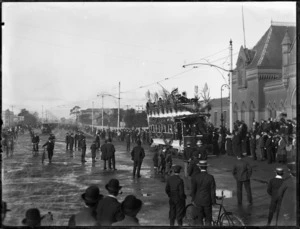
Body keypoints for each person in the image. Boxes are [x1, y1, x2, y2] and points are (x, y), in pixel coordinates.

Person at [190, 160, 216, 226]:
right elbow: (212, 190)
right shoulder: (210, 177)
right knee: (208, 218)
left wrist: (193, 200)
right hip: (207, 200)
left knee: (199, 218)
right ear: (206, 167)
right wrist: (213, 201)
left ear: (199, 167)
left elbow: (193, 190)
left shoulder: (196, 177)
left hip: (198, 200)